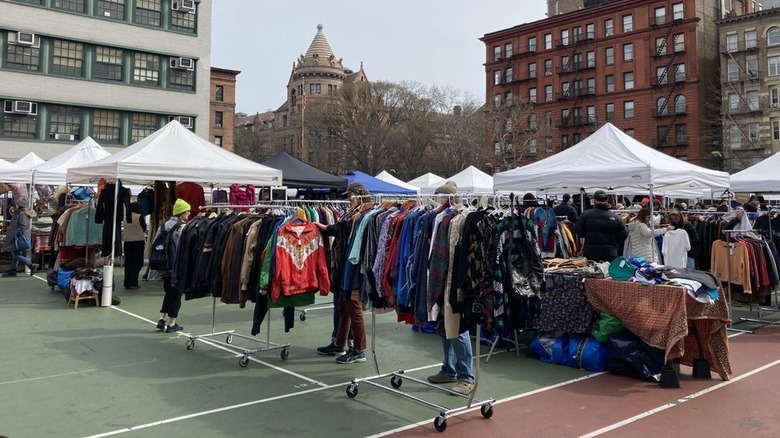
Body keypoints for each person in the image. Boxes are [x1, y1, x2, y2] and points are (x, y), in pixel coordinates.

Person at [426, 181, 475, 396]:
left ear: (450, 198)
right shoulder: (441, 218)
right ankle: (449, 369)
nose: (437, 201)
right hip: (445, 277)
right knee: (446, 325)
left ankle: (466, 377)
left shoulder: (461, 219)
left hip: (458, 280)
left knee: (458, 328)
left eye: (440, 197)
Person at [315, 181, 369, 362]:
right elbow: (341, 230)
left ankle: (358, 349)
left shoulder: (364, 215)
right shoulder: (353, 212)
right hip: (344, 265)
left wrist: (326, 228)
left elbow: (348, 234)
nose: (348, 199)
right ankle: (339, 343)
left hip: (355, 267)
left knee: (353, 307)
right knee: (343, 305)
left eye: (351, 196)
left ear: (358, 194)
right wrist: (325, 228)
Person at [155, 198, 191, 333]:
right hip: (176, 266)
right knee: (176, 295)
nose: (189, 214)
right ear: (181, 213)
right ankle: (172, 323)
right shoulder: (182, 228)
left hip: (164, 265)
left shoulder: (163, 226)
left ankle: (161, 319)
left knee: (168, 293)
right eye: (186, 212)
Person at [574, 190, 628, 262]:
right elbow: (623, 235)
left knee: (591, 269)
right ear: (607, 200)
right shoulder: (616, 217)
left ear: (594, 200)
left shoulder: (585, 215)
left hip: (590, 252)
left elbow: (579, 231)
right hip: (610, 252)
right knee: (608, 269)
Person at [2, 198, 37, 277]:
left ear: (20, 205)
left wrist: (15, 234)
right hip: (20, 237)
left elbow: (23, 227)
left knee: (15, 255)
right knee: (15, 253)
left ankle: (31, 265)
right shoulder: (21, 213)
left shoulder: (22, 214)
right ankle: (13, 270)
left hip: (19, 237)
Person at [123, 202, 146, 289]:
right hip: (138, 241)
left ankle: (127, 282)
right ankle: (133, 282)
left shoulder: (125, 217)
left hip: (127, 242)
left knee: (128, 262)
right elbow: (144, 228)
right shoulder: (139, 217)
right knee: (138, 262)